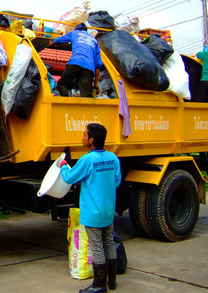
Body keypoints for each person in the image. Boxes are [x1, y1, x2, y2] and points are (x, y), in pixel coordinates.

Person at [59, 123, 121, 293]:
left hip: (93, 212)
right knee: (108, 242)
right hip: (108, 210)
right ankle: (112, 281)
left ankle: (99, 285)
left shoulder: (87, 160)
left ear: (91, 140)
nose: (83, 136)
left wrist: (63, 165)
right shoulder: (113, 158)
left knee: (97, 247)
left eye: (85, 134)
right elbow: (116, 181)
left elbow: (70, 178)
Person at [52, 23, 103, 97]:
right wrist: (95, 84)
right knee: (87, 95)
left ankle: (69, 101)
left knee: (62, 84)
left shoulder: (74, 33)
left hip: (75, 63)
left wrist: (53, 41)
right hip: (89, 67)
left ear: (77, 29)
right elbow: (98, 65)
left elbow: (58, 40)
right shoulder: (94, 41)